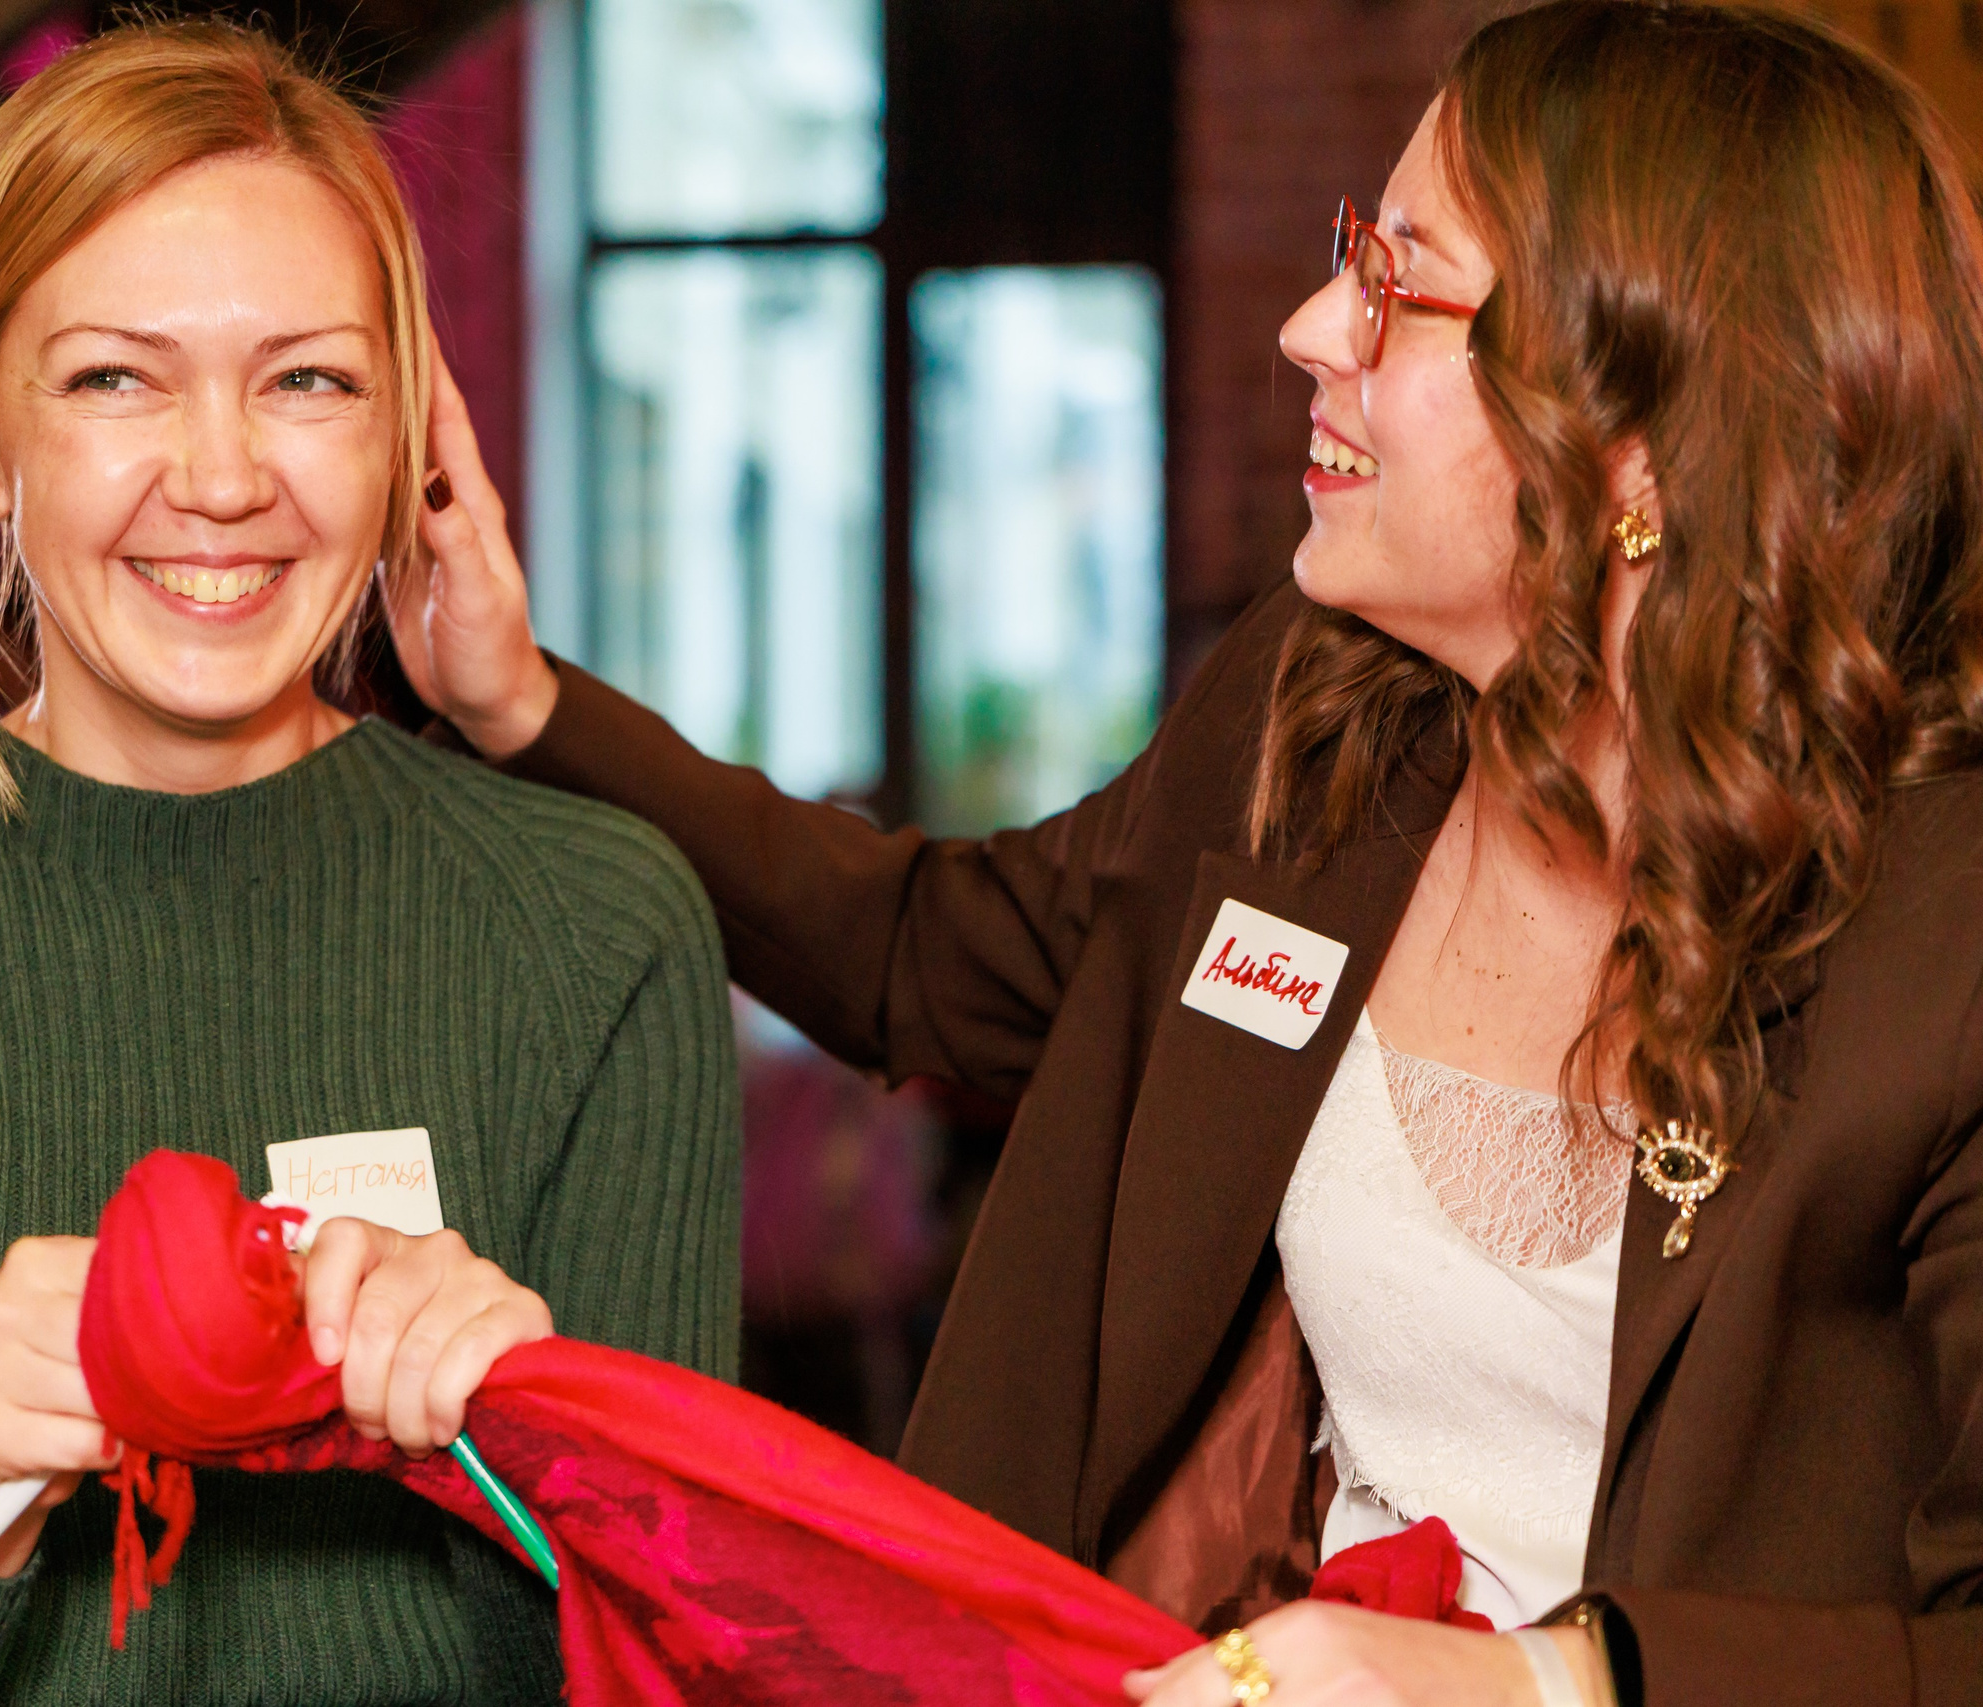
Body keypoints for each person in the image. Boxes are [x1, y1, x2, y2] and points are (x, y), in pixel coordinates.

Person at [392, 4, 1983, 1703]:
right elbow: (931, 954)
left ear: (1642, 441)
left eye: (1401, 285)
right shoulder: (1315, 737)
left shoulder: (1943, 950)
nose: (1312, 331)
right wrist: (521, 701)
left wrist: (1549, 1685)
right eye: (1340, 262)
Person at [0, 22, 740, 1705]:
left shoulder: (598, 930)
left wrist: (533, 1450)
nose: (222, 479)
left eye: (310, 380)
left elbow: (697, 1666)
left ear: (404, 445)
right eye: (115, 377)